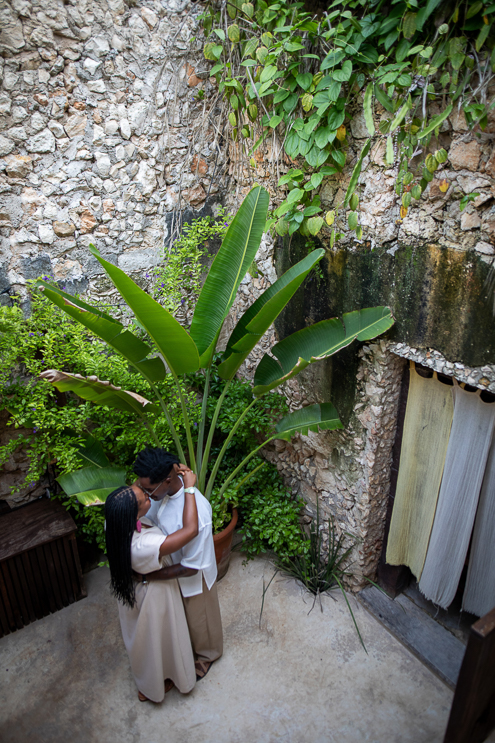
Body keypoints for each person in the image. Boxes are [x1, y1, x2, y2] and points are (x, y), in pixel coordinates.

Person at [104, 466, 199, 703]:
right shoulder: (142, 546)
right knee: (158, 638)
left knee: (142, 638)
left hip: (133, 588)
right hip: (153, 595)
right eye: (143, 497)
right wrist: (189, 488)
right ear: (133, 514)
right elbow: (190, 531)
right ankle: (155, 685)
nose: (147, 495)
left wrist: (167, 469)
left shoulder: (115, 522)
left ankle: (150, 683)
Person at [133, 447, 223, 679]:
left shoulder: (197, 511)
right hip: (173, 565)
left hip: (193, 573)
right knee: (186, 618)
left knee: (201, 619)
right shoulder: (159, 493)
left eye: (149, 490)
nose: (145, 494)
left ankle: (208, 655)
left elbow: (191, 566)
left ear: (166, 481)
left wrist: (148, 576)